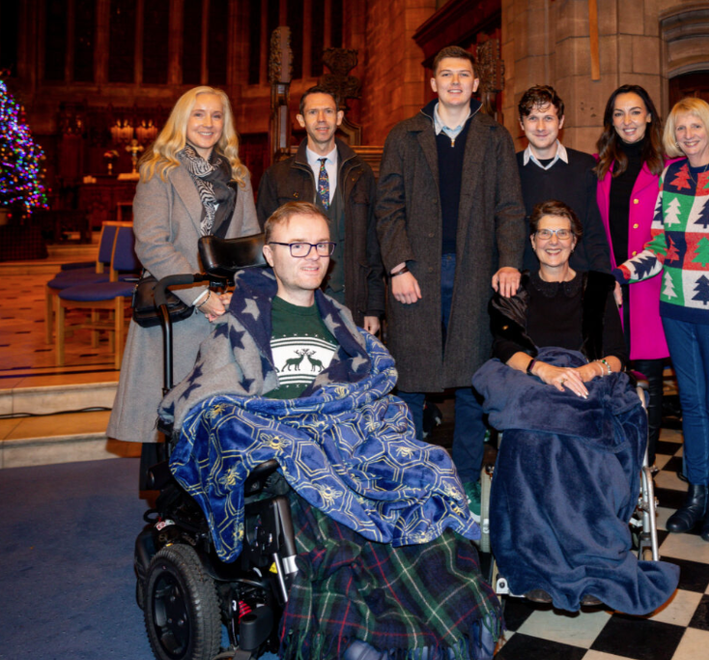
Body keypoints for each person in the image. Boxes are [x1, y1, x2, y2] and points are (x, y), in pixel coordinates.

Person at [160, 202, 501, 659]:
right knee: (340, 531)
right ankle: (366, 641)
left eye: (321, 244)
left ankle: (441, 628)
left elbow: (371, 383)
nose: (312, 255)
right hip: (292, 452)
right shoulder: (241, 321)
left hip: (351, 442)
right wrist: (283, 424)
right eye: (296, 245)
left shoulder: (340, 320)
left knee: (422, 485)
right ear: (270, 254)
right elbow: (211, 397)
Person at [473, 200, 679, 614]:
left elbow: (619, 355)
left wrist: (582, 374)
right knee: (530, 435)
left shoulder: (600, 286)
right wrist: (547, 372)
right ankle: (540, 563)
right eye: (545, 233)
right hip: (532, 378)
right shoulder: (515, 288)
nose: (553, 241)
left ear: (574, 240)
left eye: (562, 233)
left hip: (588, 379)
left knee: (583, 435)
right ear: (532, 241)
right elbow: (504, 347)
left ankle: (585, 559)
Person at [376, 45, 526, 516]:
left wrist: (508, 261)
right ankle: (410, 482)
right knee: (411, 384)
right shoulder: (405, 135)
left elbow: (509, 207)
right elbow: (389, 207)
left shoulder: (495, 137)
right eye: (447, 75)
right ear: (434, 84)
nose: (456, 82)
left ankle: (462, 489)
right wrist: (398, 266)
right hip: (416, 274)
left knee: (471, 384)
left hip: (475, 273)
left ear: (476, 85)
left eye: (464, 75)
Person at [106, 85, 260, 487]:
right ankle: (172, 510)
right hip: (177, 304)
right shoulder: (159, 170)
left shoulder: (238, 175)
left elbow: (250, 243)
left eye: (216, 115)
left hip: (225, 308)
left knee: (220, 414)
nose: (208, 123)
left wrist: (237, 294)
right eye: (198, 114)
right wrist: (203, 296)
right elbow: (152, 244)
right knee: (172, 414)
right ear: (182, 120)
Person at [613, 98, 709, 543]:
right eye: (681, 128)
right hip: (676, 307)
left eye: (696, 126)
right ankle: (694, 495)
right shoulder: (671, 173)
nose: (689, 134)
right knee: (690, 404)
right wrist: (620, 275)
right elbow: (659, 244)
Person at [256, 84, 384, 335]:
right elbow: (265, 245)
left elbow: (374, 243)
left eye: (328, 111)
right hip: (296, 301)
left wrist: (374, 307)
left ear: (339, 117)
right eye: (313, 113)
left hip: (351, 300)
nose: (322, 119)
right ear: (301, 120)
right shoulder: (278, 176)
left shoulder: (361, 173)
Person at [594, 84, 676, 460]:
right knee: (610, 380)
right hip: (608, 289)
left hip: (649, 289)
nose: (627, 120)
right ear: (611, 121)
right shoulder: (599, 166)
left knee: (649, 381)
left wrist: (624, 274)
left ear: (649, 116)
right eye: (618, 113)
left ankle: (646, 468)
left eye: (635, 111)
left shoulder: (669, 166)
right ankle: (614, 468)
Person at [516, 85, 610, 273]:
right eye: (533, 118)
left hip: (578, 278)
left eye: (548, 118)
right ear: (521, 123)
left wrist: (602, 278)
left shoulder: (585, 165)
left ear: (561, 122)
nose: (541, 127)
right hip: (525, 281)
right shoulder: (509, 167)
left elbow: (594, 231)